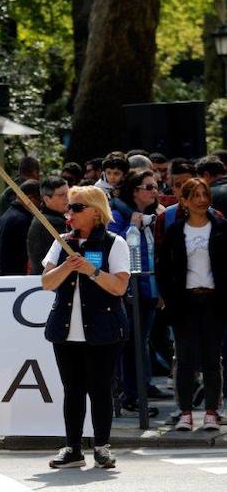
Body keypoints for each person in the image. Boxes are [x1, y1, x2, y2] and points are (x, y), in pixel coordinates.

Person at [41, 185, 129, 469]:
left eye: (77, 208)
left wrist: (91, 270)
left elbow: (119, 286)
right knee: (72, 389)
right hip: (66, 329)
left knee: (101, 389)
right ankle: (73, 447)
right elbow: (47, 283)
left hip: (102, 327)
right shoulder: (62, 241)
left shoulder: (114, 243)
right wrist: (67, 266)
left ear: (96, 211)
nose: (70, 213)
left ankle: (102, 446)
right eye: (69, 207)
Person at [157, 178, 227, 431]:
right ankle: (185, 412)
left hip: (213, 300)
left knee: (212, 357)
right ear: (184, 201)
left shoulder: (220, 227)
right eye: (194, 195)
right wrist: (168, 297)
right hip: (184, 302)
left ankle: (211, 411)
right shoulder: (176, 230)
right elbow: (162, 267)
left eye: (204, 194)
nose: (201, 200)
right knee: (185, 358)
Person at [109, 168, 170, 408]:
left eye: (156, 187)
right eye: (149, 187)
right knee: (131, 342)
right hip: (129, 288)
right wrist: (130, 228)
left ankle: (139, 391)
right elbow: (113, 246)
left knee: (141, 339)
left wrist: (160, 290)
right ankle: (132, 393)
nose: (155, 191)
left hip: (150, 288)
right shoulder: (119, 213)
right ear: (134, 191)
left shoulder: (155, 216)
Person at [0, 180, 41, 275]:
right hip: (18, 276)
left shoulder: (7, 215)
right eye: (40, 201)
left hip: (6, 273)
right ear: (30, 199)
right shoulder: (23, 219)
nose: (41, 205)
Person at [27, 176, 69, 275]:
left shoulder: (44, 218)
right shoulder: (51, 223)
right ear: (47, 199)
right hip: (49, 282)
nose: (67, 198)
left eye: (68, 193)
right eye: (61, 195)